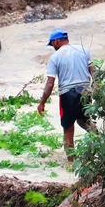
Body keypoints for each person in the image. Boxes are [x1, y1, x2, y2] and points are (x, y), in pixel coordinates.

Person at [37, 29, 95, 163]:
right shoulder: (84, 50)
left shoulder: (55, 57)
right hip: (86, 91)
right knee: (84, 121)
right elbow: (94, 72)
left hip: (68, 95)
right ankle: (102, 143)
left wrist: (42, 102)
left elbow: (50, 84)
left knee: (68, 129)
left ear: (56, 41)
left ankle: (71, 163)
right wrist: (97, 90)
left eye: (52, 44)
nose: (53, 48)